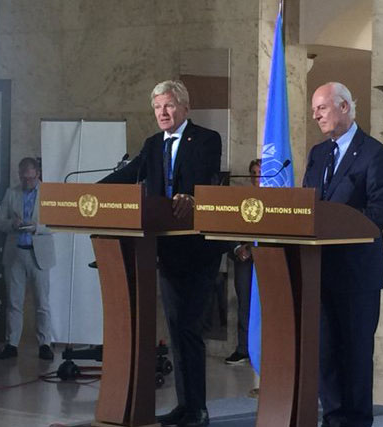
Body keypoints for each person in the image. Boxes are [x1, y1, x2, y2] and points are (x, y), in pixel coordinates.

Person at [100, 80, 224, 427]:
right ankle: (184, 406)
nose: (162, 113)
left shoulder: (206, 139)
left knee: (189, 328)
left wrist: (190, 196)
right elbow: (130, 173)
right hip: (165, 250)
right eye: (157, 108)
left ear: (184, 107)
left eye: (168, 106)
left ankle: (198, 409)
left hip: (198, 251)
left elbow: (206, 178)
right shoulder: (152, 145)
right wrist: (89, 195)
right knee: (175, 328)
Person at [303, 82, 383, 427]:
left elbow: (380, 213)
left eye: (321, 108)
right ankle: (334, 417)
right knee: (325, 352)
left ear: (343, 107)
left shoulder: (375, 153)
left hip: (357, 273)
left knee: (354, 354)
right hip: (319, 269)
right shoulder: (318, 153)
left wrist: (338, 224)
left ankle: (356, 421)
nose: (315, 116)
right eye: (314, 110)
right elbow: (306, 205)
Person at [0, 157, 56, 360]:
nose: (25, 181)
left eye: (29, 178)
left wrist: (36, 227)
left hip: (39, 252)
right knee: (13, 302)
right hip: (16, 252)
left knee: (42, 302)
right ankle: (11, 344)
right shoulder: (12, 192)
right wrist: (12, 224)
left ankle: (45, 344)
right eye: (22, 177)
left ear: (37, 174)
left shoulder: (48, 193)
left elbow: (57, 224)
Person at [225, 158, 261, 365]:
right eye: (254, 173)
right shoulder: (242, 198)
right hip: (245, 260)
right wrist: (238, 248)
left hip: (268, 260)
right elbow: (229, 227)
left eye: (261, 173)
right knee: (245, 304)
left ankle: (267, 348)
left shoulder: (279, 198)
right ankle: (244, 348)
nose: (258, 178)